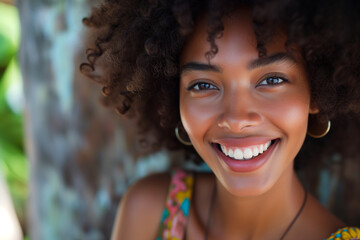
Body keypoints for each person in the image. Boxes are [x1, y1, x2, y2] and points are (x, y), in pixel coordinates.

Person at [80, 0, 360, 239]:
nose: (236, 119)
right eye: (203, 85)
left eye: (272, 80)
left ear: (316, 94)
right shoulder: (150, 210)